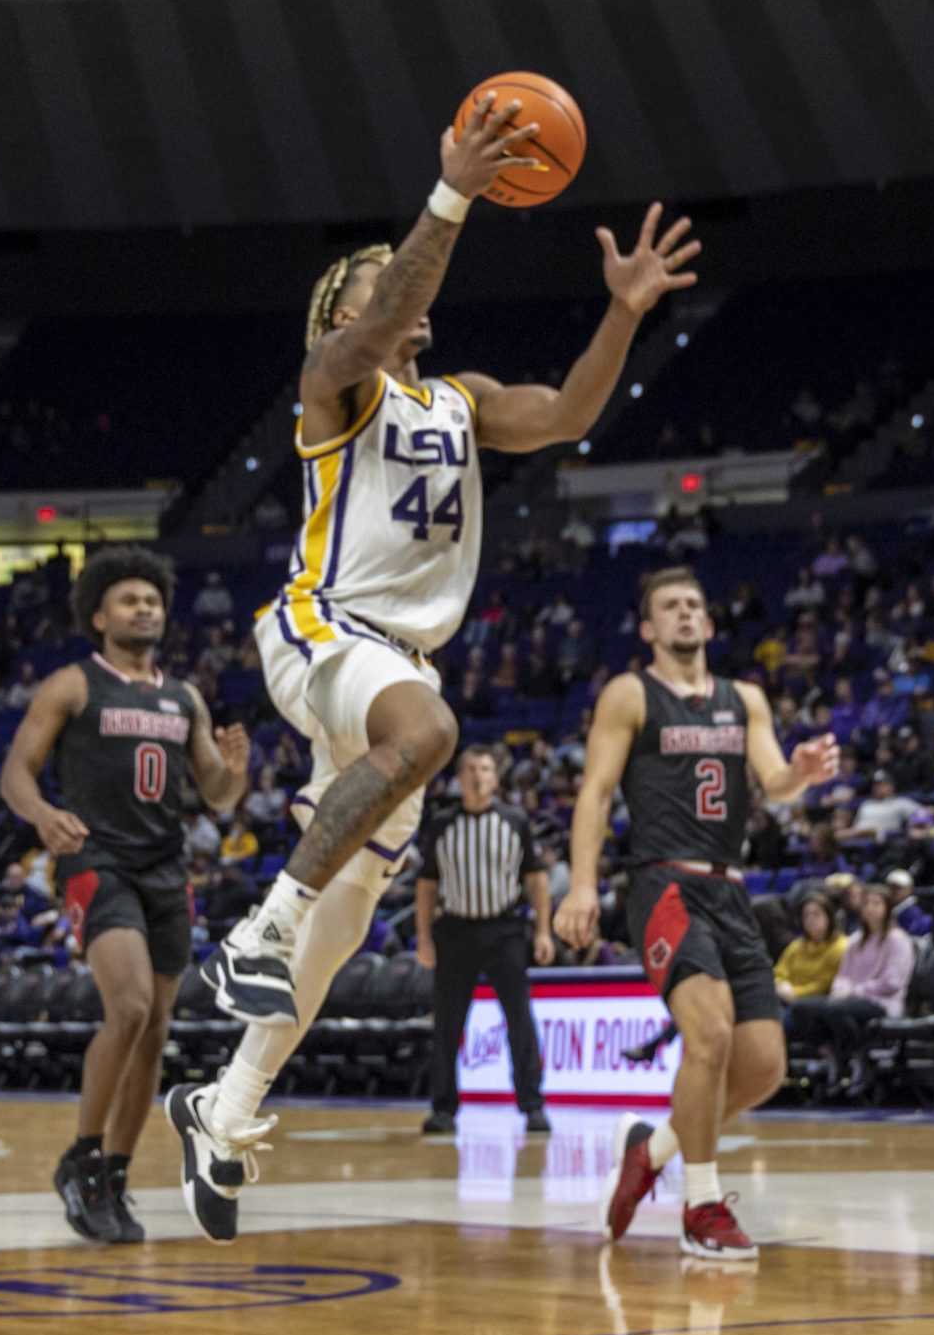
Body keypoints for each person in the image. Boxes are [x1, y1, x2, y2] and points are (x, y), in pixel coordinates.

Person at [171, 130, 704, 1247]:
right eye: (382, 284)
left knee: (344, 925)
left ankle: (219, 1110)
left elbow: (563, 414)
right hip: (323, 631)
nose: (411, 292)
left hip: (393, 670)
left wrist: (622, 314)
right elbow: (373, 318)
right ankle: (256, 930)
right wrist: (450, 197)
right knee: (429, 734)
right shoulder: (332, 386)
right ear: (343, 321)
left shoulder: (455, 400)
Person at [566, 568, 836, 1262]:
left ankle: (650, 1148)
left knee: (763, 1067)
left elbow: (773, 781)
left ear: (710, 625)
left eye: (695, 604)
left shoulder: (743, 699)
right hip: (663, 883)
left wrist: (800, 771)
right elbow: (596, 793)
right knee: (709, 1034)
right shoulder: (631, 693)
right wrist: (582, 887)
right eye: (670, 607)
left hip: (731, 889)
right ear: (649, 629)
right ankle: (702, 1204)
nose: (686, 614)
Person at [1, 548, 247, 1245]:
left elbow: (218, 795)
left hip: (167, 868)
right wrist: (43, 815)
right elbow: (15, 771)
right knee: (131, 1004)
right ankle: (80, 1156)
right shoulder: (73, 685)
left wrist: (234, 773)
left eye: (152, 600)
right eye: (130, 599)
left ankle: (114, 1171)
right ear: (100, 615)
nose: (144, 608)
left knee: (155, 1033)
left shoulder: (185, 697)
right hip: (97, 858)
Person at [413, 747, 553, 1135]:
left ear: (496, 777)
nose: (478, 775)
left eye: (486, 769)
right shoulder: (441, 824)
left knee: (520, 1021)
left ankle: (533, 1106)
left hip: (505, 930)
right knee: (447, 1026)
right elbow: (427, 885)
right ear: (459, 777)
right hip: (455, 931)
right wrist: (423, 938)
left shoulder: (515, 820)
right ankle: (443, 1109)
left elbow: (536, 879)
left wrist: (543, 930)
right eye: (471, 769)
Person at [783, 884, 913, 1101]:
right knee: (800, 1008)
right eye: (866, 904)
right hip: (847, 1001)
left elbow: (893, 983)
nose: (870, 908)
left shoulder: (898, 940)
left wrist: (854, 990)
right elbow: (842, 977)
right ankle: (832, 1054)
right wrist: (841, 990)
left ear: (888, 908)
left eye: (876, 903)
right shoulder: (855, 940)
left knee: (835, 1009)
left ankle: (858, 1058)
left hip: (882, 1002)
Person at [773, 893, 846, 1001]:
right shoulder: (796, 946)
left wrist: (794, 992)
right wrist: (780, 985)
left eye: (816, 914)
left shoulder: (841, 946)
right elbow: (779, 972)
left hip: (818, 1002)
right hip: (784, 996)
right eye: (806, 915)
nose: (810, 919)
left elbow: (824, 984)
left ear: (829, 917)